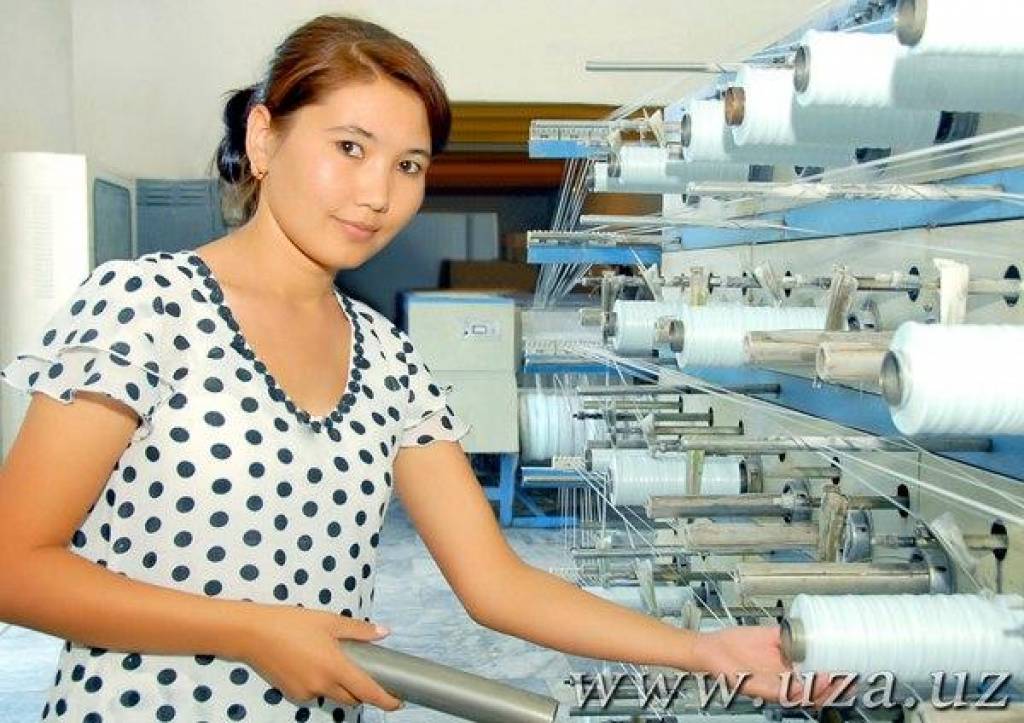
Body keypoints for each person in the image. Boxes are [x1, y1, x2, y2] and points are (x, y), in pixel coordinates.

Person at [0, 15, 832, 722]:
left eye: (408, 165)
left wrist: (699, 649)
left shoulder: (388, 358)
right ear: (263, 138)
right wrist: (250, 628)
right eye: (349, 147)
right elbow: (15, 566)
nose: (379, 194)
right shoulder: (146, 307)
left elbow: (496, 582)